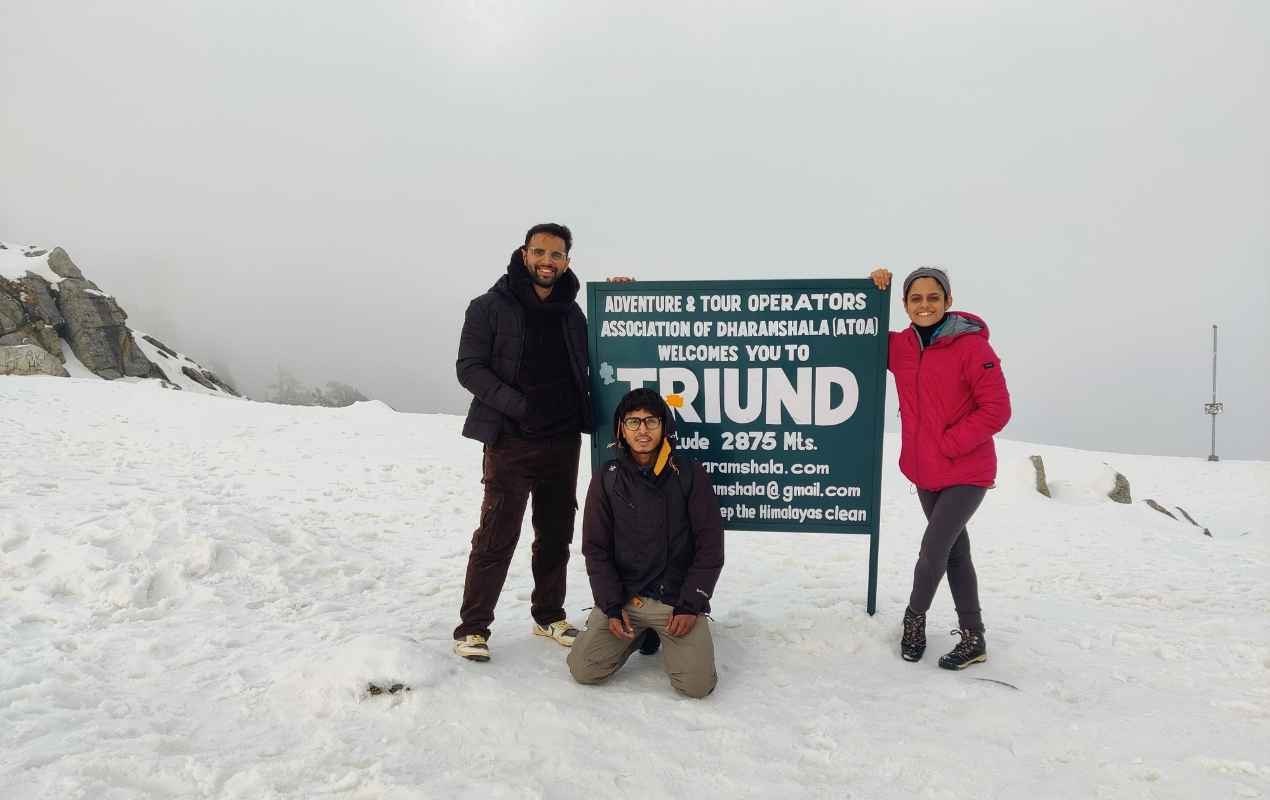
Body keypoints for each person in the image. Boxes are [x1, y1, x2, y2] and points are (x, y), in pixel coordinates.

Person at [451, 222, 595, 662]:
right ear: (523, 252)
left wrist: (622, 299)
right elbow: (469, 368)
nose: (547, 262)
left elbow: (600, 358)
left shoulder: (573, 313)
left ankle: (549, 615)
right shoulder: (488, 306)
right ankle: (473, 629)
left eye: (556, 255)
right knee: (497, 534)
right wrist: (521, 405)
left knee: (555, 533)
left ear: (567, 261)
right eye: (539, 253)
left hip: (563, 440)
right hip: (510, 439)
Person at [870, 266, 1011, 670]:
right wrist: (874, 289)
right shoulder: (900, 347)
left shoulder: (972, 348)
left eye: (933, 297)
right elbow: (859, 331)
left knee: (934, 549)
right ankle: (974, 637)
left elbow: (997, 410)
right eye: (916, 298)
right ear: (905, 305)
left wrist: (949, 443)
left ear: (948, 301)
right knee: (954, 553)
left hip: (967, 470)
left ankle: (913, 621)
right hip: (926, 472)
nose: (925, 305)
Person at [567, 388, 725, 698]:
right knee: (584, 669)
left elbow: (710, 547)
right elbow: (595, 549)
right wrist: (611, 606)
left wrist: (690, 605)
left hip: (676, 603)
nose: (642, 430)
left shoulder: (690, 474)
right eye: (633, 422)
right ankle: (638, 635)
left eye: (651, 421)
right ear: (621, 429)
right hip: (627, 601)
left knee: (696, 687)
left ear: (664, 426)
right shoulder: (606, 478)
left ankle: (663, 634)